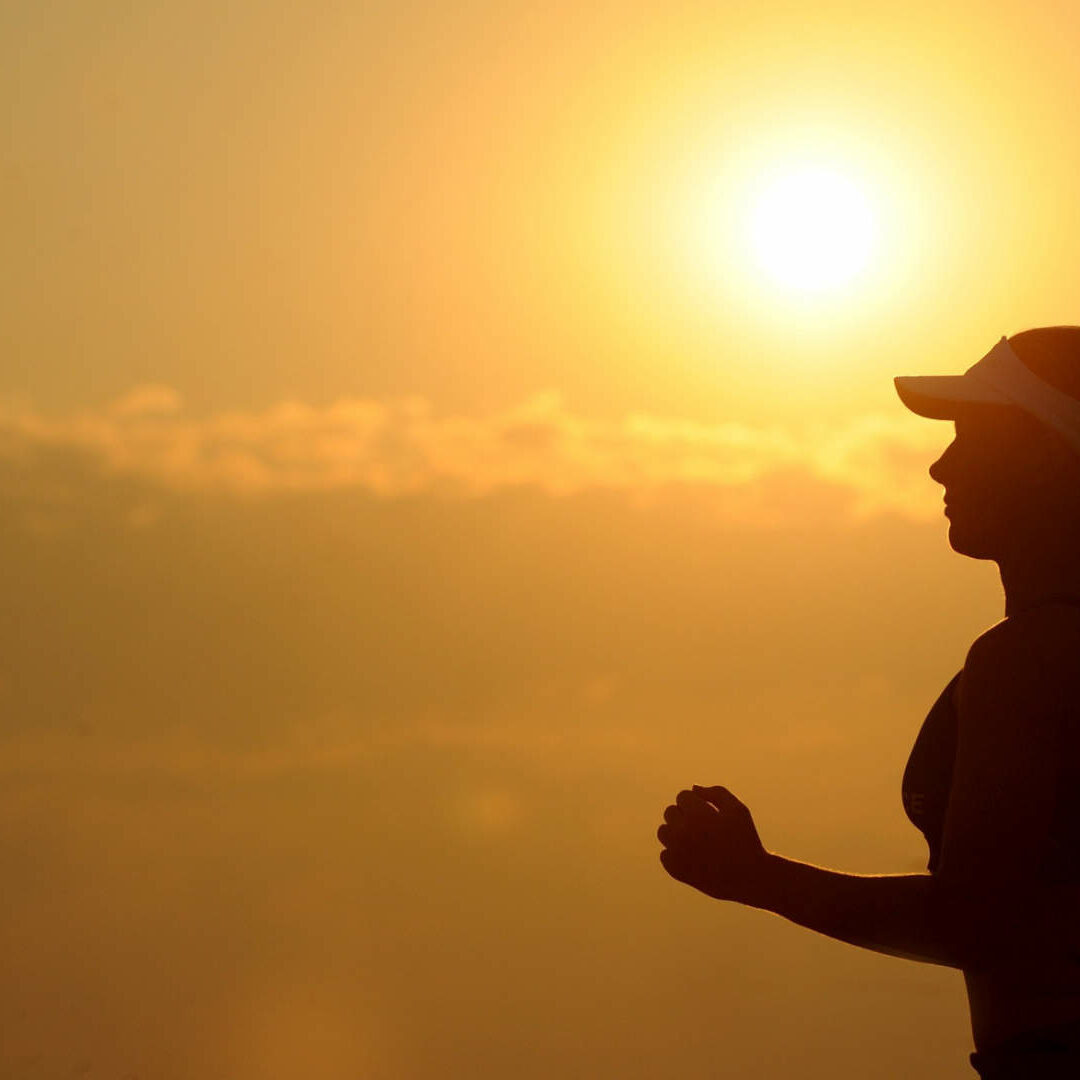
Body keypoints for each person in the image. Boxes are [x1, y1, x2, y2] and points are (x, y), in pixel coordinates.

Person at [656, 327, 1080, 1079]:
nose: (939, 464)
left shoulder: (1030, 660)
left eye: (972, 435)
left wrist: (754, 877)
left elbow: (976, 921)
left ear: (1051, 454)